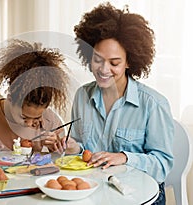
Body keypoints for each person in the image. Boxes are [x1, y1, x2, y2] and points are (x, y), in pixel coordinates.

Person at [50, 3, 174, 204]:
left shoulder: (153, 104)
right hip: (95, 190)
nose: (103, 69)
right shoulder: (82, 95)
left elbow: (162, 164)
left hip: (141, 195)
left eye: (114, 63)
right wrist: (73, 148)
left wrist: (125, 157)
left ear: (129, 62)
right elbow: (84, 153)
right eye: (97, 60)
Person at [0, 39, 69, 155]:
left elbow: (63, 161)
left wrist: (54, 148)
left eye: (37, 118)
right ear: (10, 98)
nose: (29, 124)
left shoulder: (50, 120)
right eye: (24, 117)